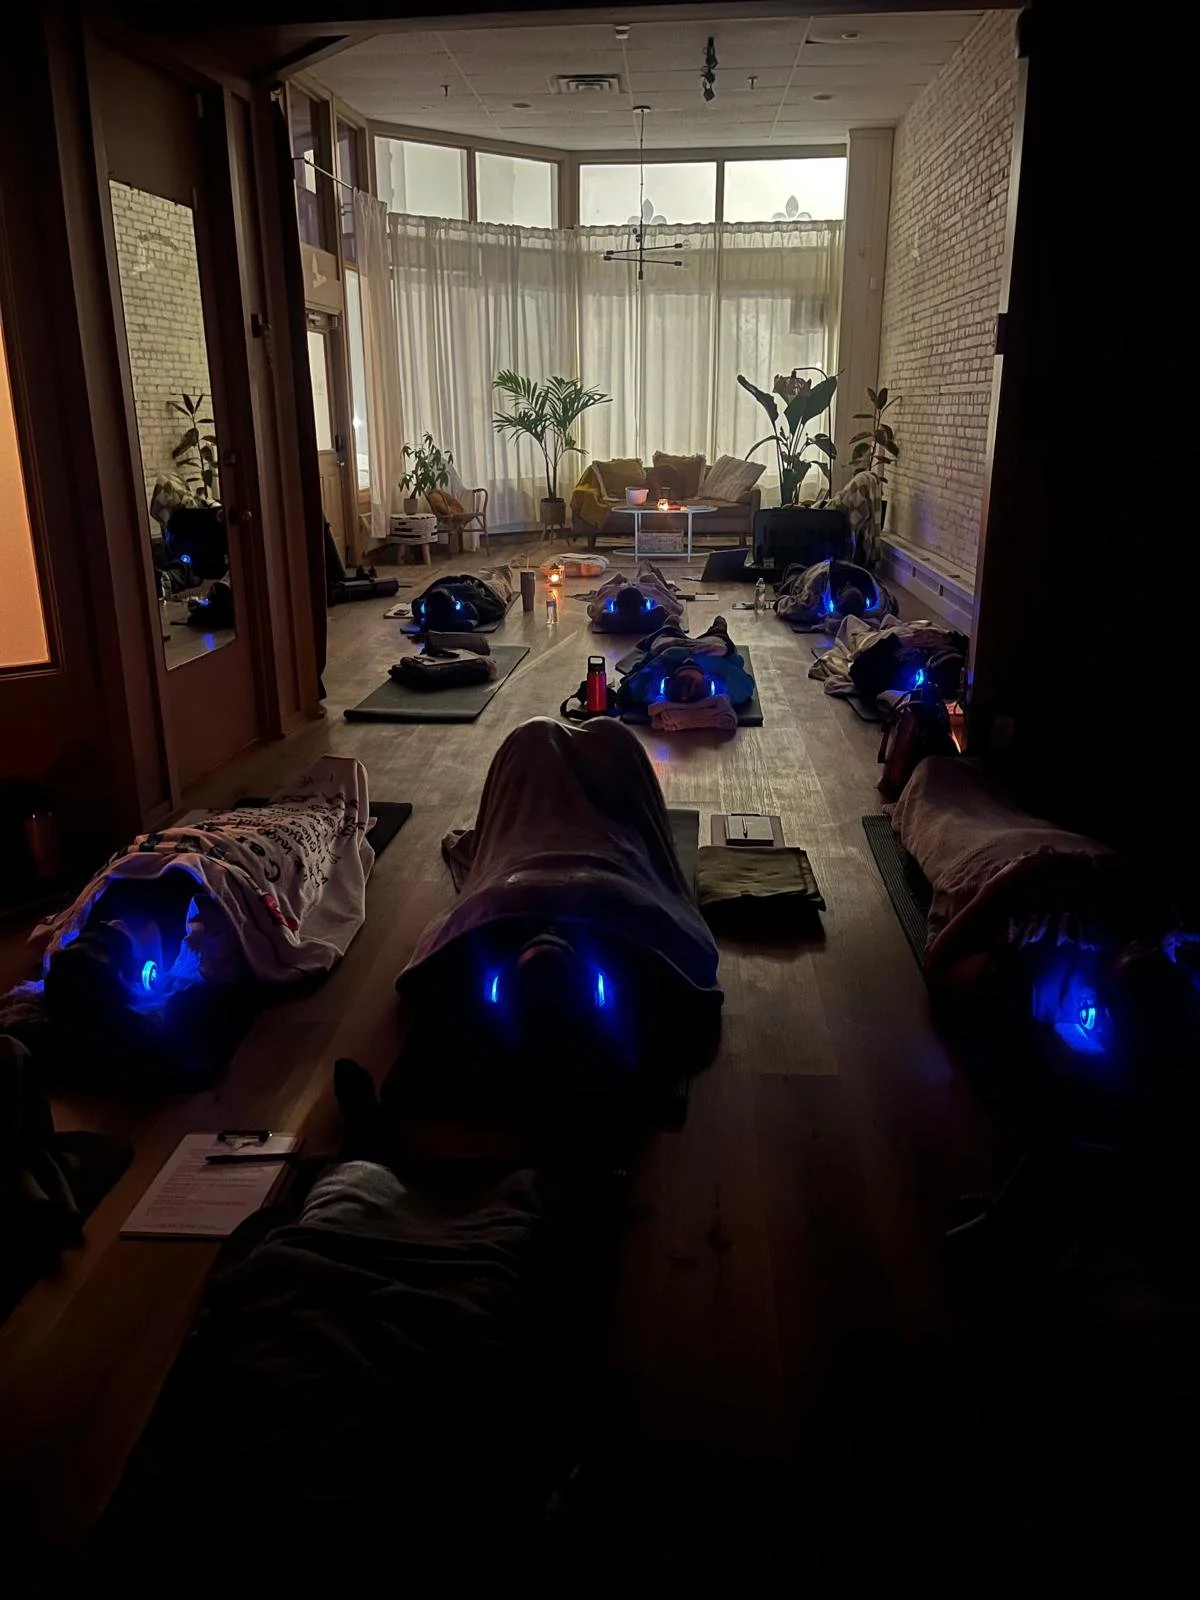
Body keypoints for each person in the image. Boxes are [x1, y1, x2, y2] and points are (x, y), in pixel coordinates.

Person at [393, 718, 722, 1086]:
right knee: (608, 736)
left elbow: (421, 970)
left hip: (524, 859)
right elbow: (697, 968)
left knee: (535, 733)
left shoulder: (482, 924)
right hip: (610, 866)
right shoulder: (636, 928)